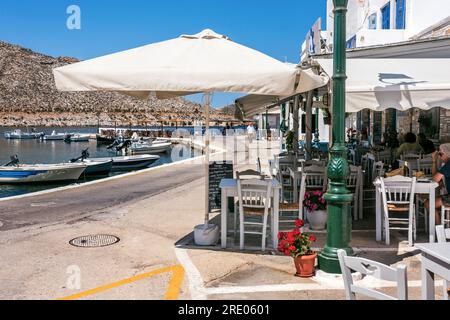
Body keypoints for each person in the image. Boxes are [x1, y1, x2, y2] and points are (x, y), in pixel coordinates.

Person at [425, 144, 450, 225]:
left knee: (428, 204)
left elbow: (435, 179)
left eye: (441, 154)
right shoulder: (447, 164)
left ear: (448, 154)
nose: (439, 156)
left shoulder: (448, 165)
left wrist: (434, 160)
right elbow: (436, 175)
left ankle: (439, 230)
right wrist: (434, 161)